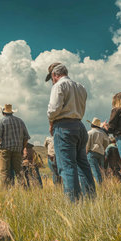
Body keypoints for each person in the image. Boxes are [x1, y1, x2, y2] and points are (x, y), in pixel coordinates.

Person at [46, 63, 96, 202]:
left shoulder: (59, 86)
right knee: (82, 165)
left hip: (64, 127)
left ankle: (74, 202)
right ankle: (91, 199)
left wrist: (51, 120)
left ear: (55, 75)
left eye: (51, 78)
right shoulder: (81, 86)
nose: (52, 80)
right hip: (79, 125)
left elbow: (53, 110)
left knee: (67, 166)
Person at [0, 104, 30, 188]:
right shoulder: (20, 121)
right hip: (17, 150)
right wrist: (22, 148)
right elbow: (26, 137)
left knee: (5, 172)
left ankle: (6, 191)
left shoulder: (1, 121)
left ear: (3, 113)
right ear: (12, 112)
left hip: (5, 150)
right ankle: (24, 190)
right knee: (19, 172)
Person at [86, 117, 109, 184]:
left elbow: (87, 144)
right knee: (101, 170)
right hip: (101, 153)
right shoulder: (102, 133)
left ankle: (99, 184)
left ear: (91, 125)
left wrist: (86, 151)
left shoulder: (89, 133)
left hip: (92, 153)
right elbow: (106, 142)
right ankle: (102, 183)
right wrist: (103, 149)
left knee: (94, 170)